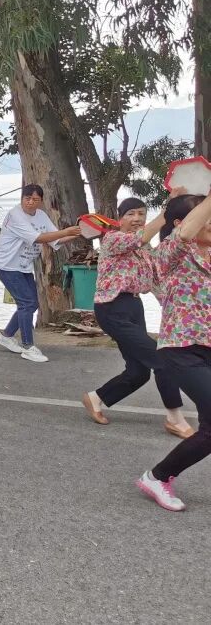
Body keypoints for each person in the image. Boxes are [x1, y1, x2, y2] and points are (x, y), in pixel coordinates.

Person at [81, 195, 193, 438]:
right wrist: (167, 211)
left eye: (141, 213)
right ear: (119, 219)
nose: (137, 218)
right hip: (111, 308)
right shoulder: (112, 239)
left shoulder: (145, 250)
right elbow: (140, 237)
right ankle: (174, 418)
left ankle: (96, 398)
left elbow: (156, 282)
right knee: (162, 360)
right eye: (130, 214)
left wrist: (176, 310)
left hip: (134, 307)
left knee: (139, 372)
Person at [135, 190, 211, 512]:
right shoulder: (173, 252)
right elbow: (186, 233)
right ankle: (157, 477)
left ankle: (158, 476)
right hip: (181, 349)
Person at [0, 184, 81, 363]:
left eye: (35, 199)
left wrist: (78, 232)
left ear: (41, 201)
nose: (30, 202)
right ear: (22, 198)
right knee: (27, 303)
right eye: (27, 198)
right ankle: (28, 347)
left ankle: (6, 336)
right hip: (5, 265)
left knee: (31, 304)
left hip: (23, 266)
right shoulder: (15, 215)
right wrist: (66, 231)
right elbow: (39, 238)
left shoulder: (41, 216)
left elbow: (56, 239)